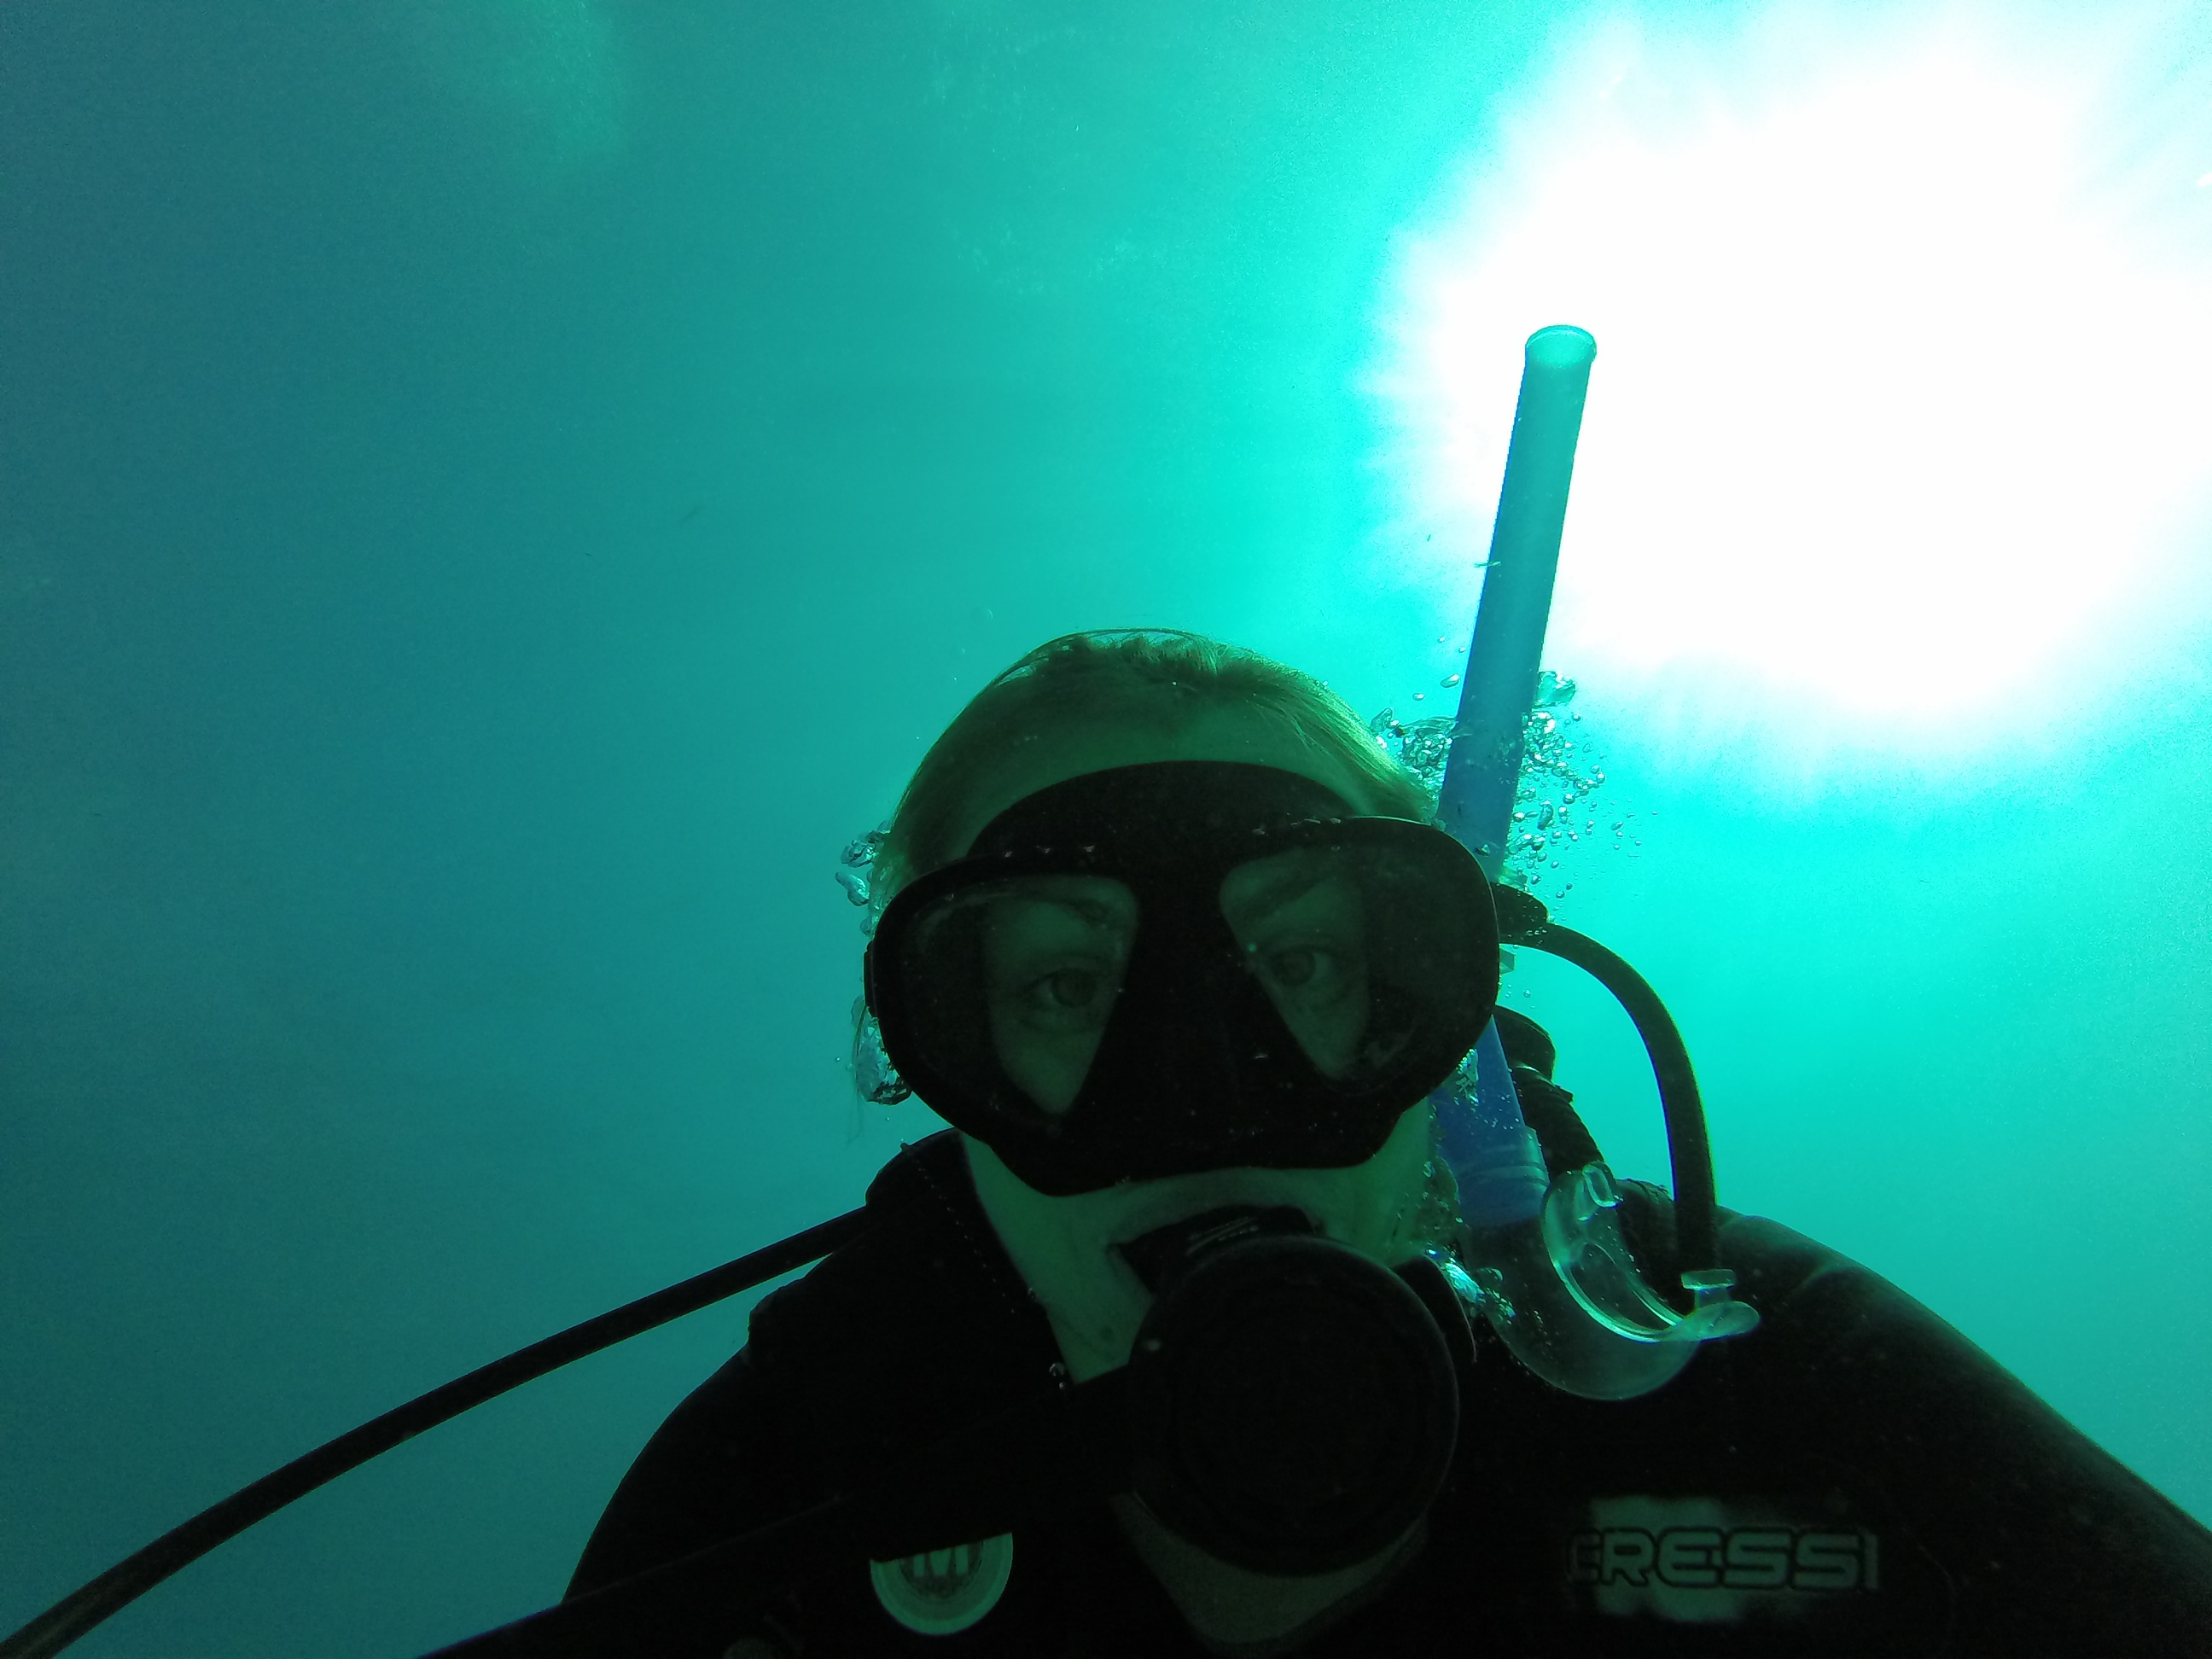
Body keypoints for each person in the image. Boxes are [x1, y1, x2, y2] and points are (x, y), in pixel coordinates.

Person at [566, 630, 2212, 1657]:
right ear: (936, 1056)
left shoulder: (1733, 1361)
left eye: (1301, 962)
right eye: (1065, 984)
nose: (1206, 1094)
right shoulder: (787, 1499)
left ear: (1438, 1017)